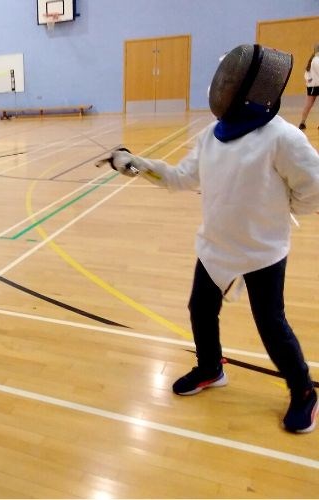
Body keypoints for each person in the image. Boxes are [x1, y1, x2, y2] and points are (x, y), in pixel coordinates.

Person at [100, 44, 319, 433]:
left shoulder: (282, 138)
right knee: (200, 310)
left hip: (262, 250)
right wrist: (137, 164)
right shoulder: (210, 137)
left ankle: (303, 390)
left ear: (250, 89)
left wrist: (281, 210)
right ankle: (210, 367)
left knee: (271, 324)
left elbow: (313, 190)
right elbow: (181, 177)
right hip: (215, 246)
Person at [298, 43, 319, 130]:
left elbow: (306, 73)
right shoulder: (316, 60)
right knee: (308, 105)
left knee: (308, 105)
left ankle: (302, 122)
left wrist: (308, 80)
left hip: (312, 86)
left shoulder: (313, 59)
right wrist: (310, 80)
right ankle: (302, 123)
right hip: (316, 85)